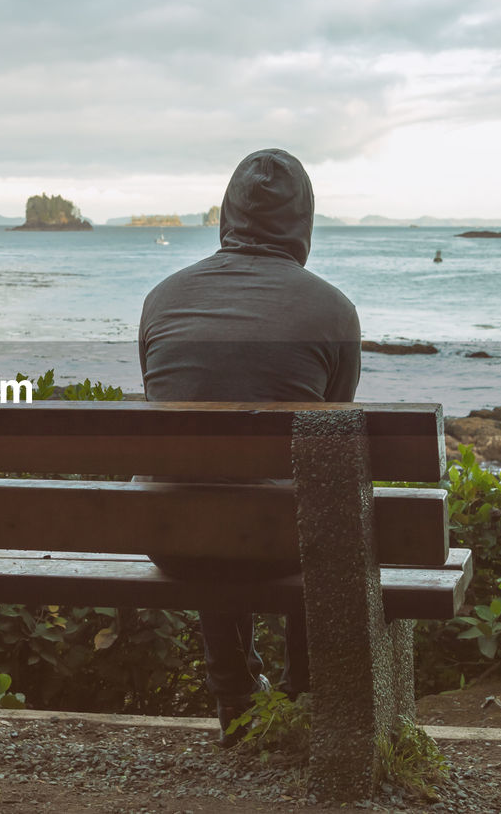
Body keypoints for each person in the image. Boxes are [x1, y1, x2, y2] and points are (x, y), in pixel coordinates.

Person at [136, 148, 361, 744]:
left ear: (227, 215)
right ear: (303, 221)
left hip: (170, 537)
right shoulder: (332, 310)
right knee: (310, 497)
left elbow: (170, 426)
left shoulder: (162, 299)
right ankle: (303, 695)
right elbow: (333, 445)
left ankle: (236, 695)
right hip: (281, 544)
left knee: (201, 486)